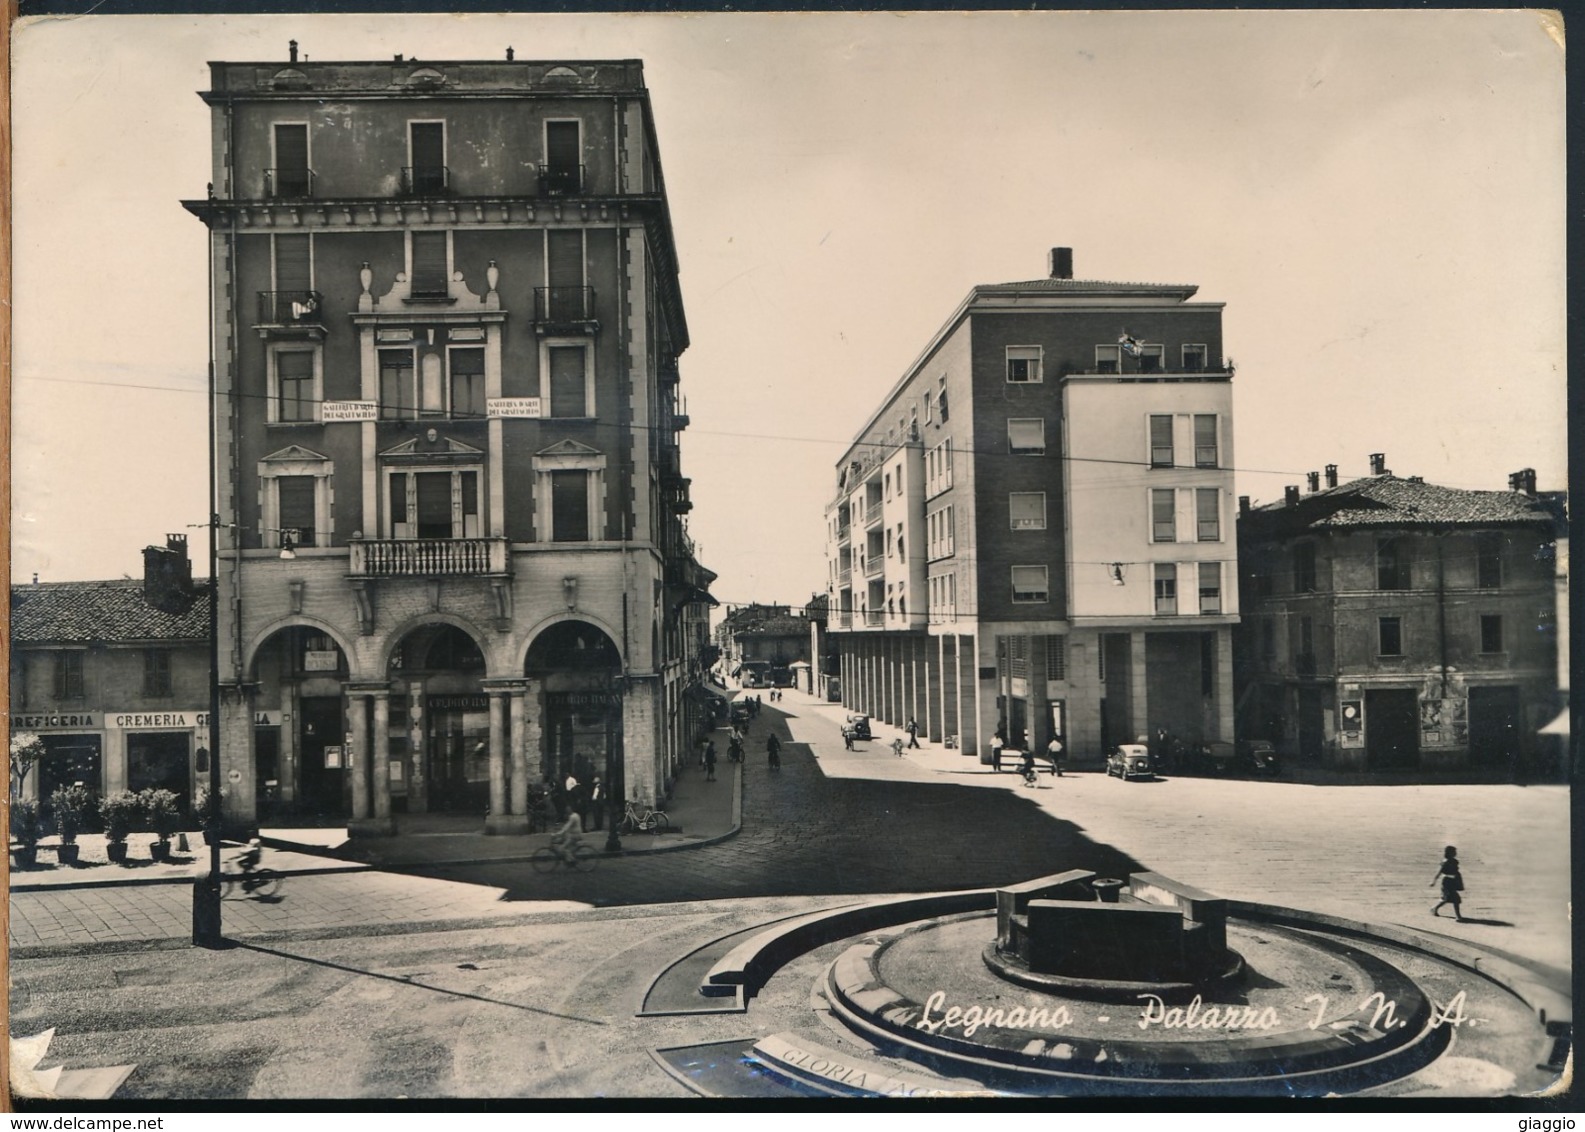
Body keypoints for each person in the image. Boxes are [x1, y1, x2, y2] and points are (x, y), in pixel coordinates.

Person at [1430, 846, 1465, 921]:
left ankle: (1458, 916)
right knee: (1446, 899)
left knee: (1455, 899)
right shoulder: (1445, 862)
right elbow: (1439, 873)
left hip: (1453, 881)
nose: (1455, 853)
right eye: (1454, 852)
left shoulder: (1455, 861)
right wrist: (1434, 881)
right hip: (1446, 883)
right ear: (1449, 853)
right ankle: (1434, 908)